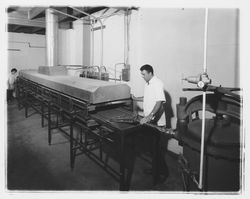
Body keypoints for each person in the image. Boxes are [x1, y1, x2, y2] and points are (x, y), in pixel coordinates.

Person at [139, 64, 169, 183]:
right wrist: (136, 98)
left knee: (156, 150)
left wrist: (149, 116)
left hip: (157, 122)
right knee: (152, 149)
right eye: (141, 74)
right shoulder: (148, 84)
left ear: (150, 73)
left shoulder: (157, 83)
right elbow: (148, 98)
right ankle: (155, 169)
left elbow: (159, 102)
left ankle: (162, 173)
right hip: (150, 121)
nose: (142, 76)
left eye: (144, 74)